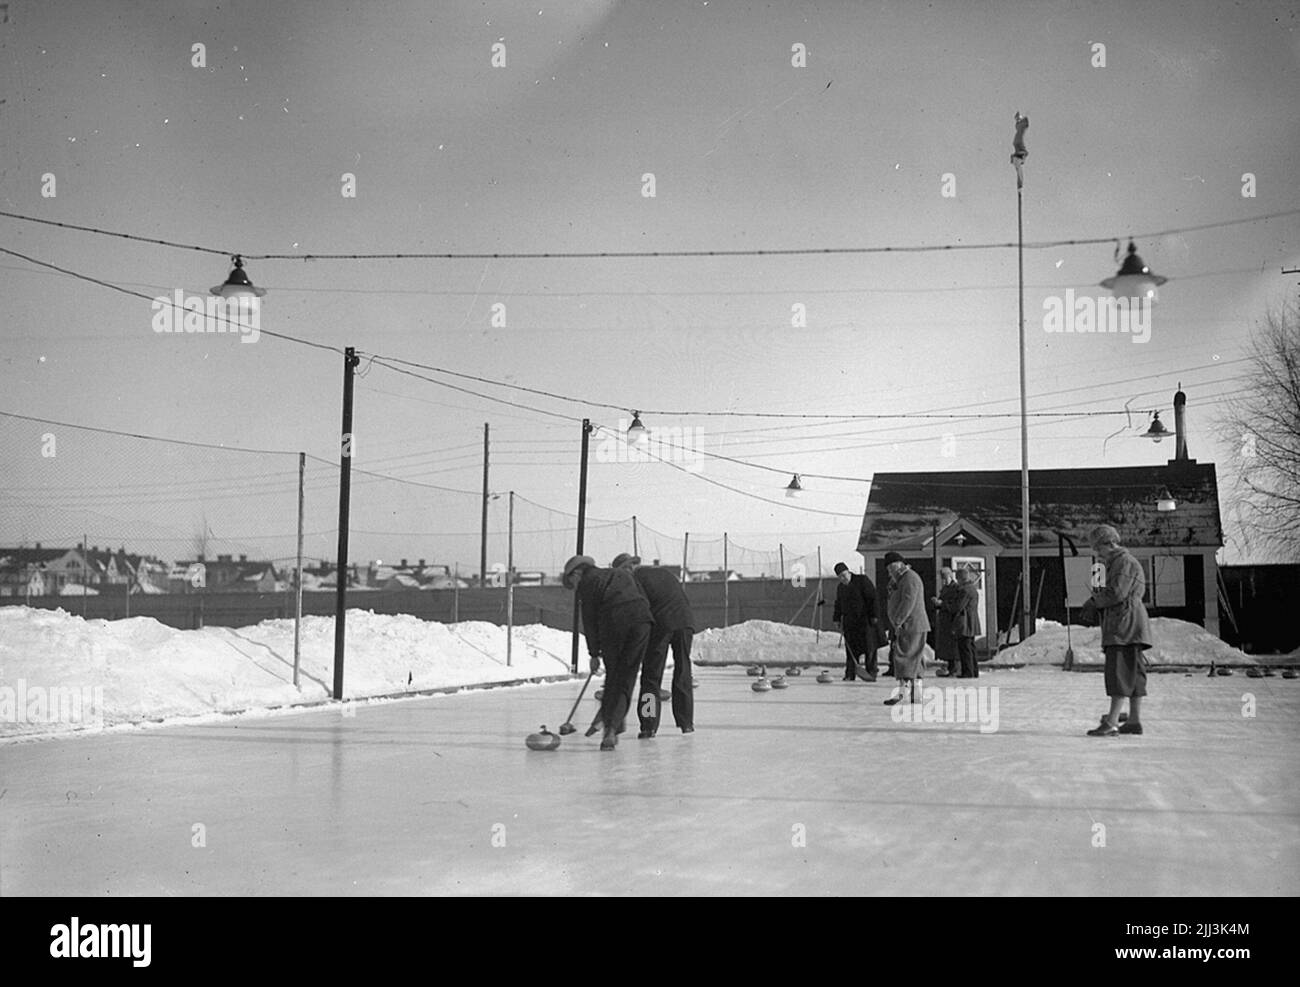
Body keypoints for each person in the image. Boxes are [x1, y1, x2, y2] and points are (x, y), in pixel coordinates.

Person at [562, 554, 654, 751]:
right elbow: (642, 599)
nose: (575, 586)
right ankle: (613, 725)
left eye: (572, 581)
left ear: (577, 572)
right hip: (641, 621)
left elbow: (589, 620)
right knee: (627, 677)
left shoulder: (588, 582)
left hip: (614, 621)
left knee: (614, 677)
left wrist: (594, 653)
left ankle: (610, 728)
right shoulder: (620, 574)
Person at [612, 553, 695, 737]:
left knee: (651, 677)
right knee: (683, 671)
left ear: (628, 568)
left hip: (662, 626)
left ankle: (648, 725)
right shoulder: (663, 573)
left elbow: (640, 612)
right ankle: (686, 722)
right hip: (685, 622)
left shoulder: (635, 581)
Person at [1080, 525, 1151, 737]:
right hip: (1129, 624)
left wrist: (1094, 602)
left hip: (1124, 625)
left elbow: (1117, 593)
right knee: (1133, 673)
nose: (1097, 552)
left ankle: (1111, 722)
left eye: (1098, 547)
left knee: (1119, 672)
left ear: (1109, 543)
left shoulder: (1123, 562)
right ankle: (1134, 720)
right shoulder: (1117, 563)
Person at [882, 552, 930, 705]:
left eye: (890, 567)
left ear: (898, 565)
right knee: (912, 658)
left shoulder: (910, 578)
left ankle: (906, 692)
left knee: (907, 657)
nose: (889, 571)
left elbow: (908, 602)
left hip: (911, 625)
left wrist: (898, 620)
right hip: (907, 625)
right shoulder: (900, 579)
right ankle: (913, 694)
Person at [831, 562, 879, 681]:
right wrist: (836, 618)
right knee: (851, 649)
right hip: (850, 623)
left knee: (869, 647)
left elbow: (873, 598)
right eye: (840, 577)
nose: (843, 578)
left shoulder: (862, 581)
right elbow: (838, 604)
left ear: (848, 572)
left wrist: (874, 615)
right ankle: (850, 673)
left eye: (844, 575)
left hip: (866, 621)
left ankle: (871, 672)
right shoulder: (841, 587)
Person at [952, 567, 982, 678]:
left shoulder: (965, 590)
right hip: (972, 620)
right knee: (971, 647)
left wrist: (946, 605)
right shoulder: (972, 588)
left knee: (965, 648)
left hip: (965, 622)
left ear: (960, 578)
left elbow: (958, 606)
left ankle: (968, 672)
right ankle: (974, 671)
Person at [932, 566, 960, 677]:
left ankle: (954, 667)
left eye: (944, 577)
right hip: (944, 620)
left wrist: (941, 604)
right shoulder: (945, 588)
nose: (943, 579)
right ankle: (950, 665)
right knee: (946, 645)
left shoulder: (955, 588)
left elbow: (954, 605)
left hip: (951, 620)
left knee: (952, 645)